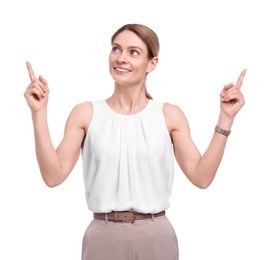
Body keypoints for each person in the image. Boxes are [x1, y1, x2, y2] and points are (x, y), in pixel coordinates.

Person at [24, 23, 246, 260]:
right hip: (102, 236)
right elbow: (52, 176)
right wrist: (39, 113)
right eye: (116, 49)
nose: (121, 58)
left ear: (152, 63)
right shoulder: (85, 113)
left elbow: (201, 177)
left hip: (155, 236)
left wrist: (226, 117)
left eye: (133, 52)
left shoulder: (169, 115)